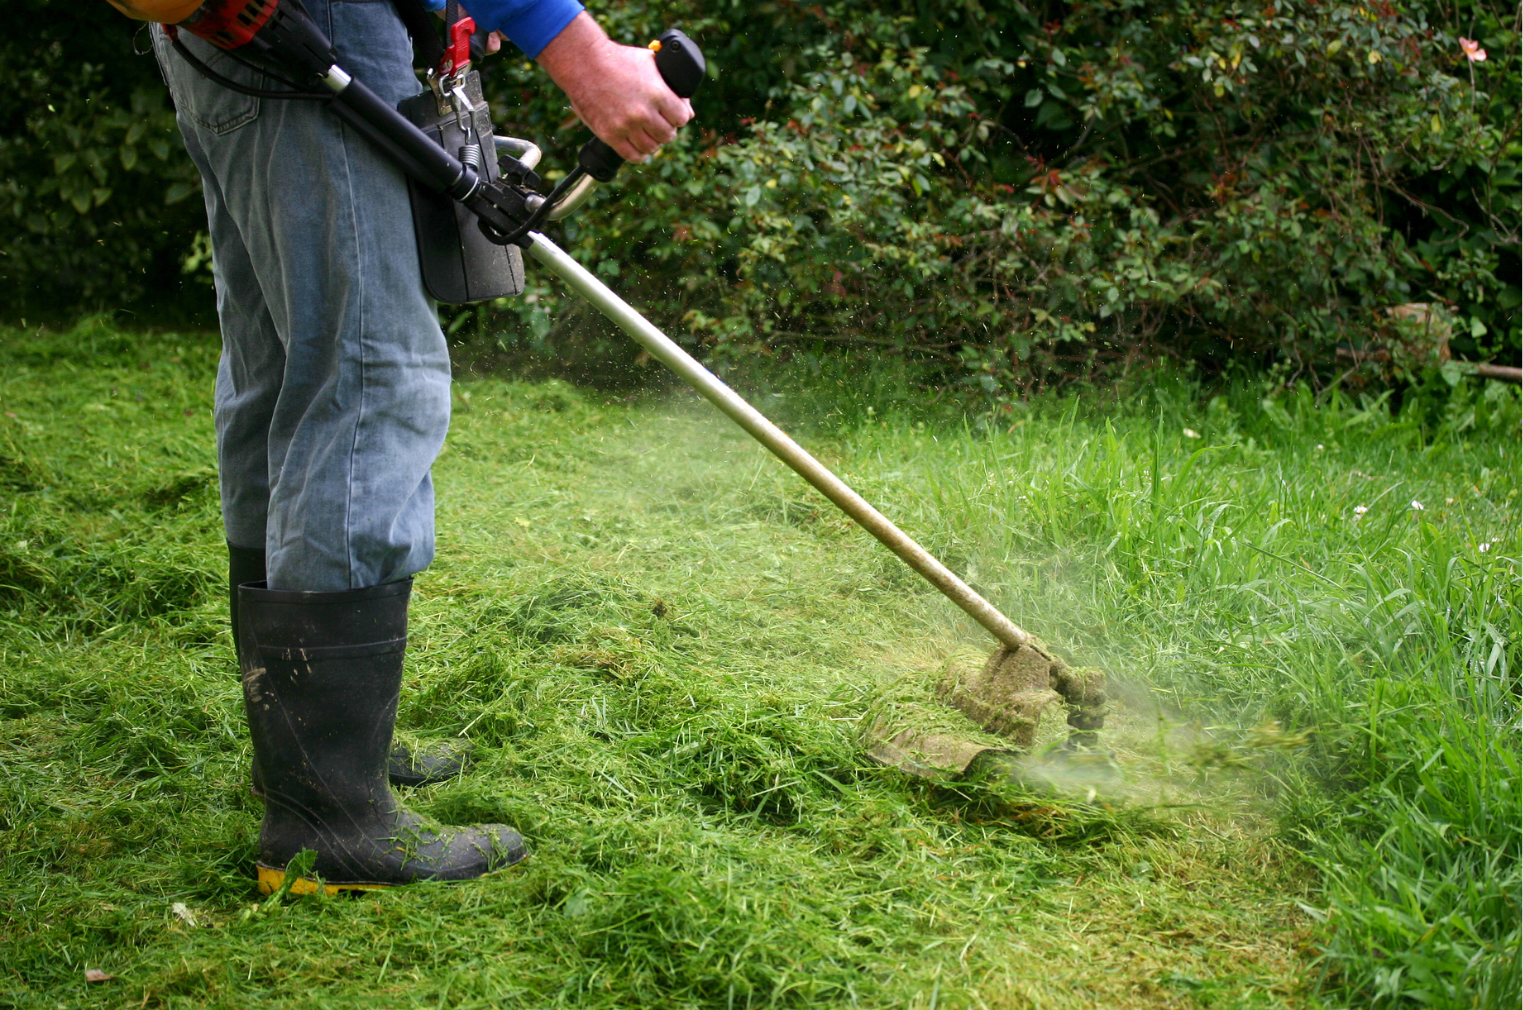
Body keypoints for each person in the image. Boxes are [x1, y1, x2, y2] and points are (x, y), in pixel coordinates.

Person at [105, 0, 693, 892]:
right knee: (367, 372)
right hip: (312, 23)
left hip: (228, 36)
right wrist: (577, 48)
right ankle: (330, 821)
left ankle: (309, 758)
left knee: (284, 365)